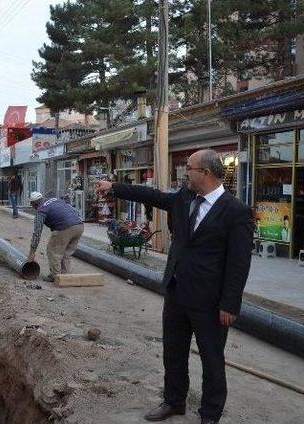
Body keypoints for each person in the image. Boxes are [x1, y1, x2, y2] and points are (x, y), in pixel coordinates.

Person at [95, 149, 253, 424]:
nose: (185, 173)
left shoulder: (235, 211)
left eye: (189, 168)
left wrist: (230, 303)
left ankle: (210, 413)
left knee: (212, 358)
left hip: (210, 300)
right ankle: (174, 401)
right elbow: (153, 196)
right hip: (177, 291)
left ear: (206, 173)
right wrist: (115, 187)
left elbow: (240, 262)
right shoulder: (184, 198)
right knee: (174, 352)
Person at [26, 191, 84, 282]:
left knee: (53, 250)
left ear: (34, 204)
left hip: (64, 227)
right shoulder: (55, 200)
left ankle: (55, 276)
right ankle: (65, 276)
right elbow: (72, 209)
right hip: (79, 225)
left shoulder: (41, 210)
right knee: (66, 253)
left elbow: (37, 233)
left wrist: (32, 251)